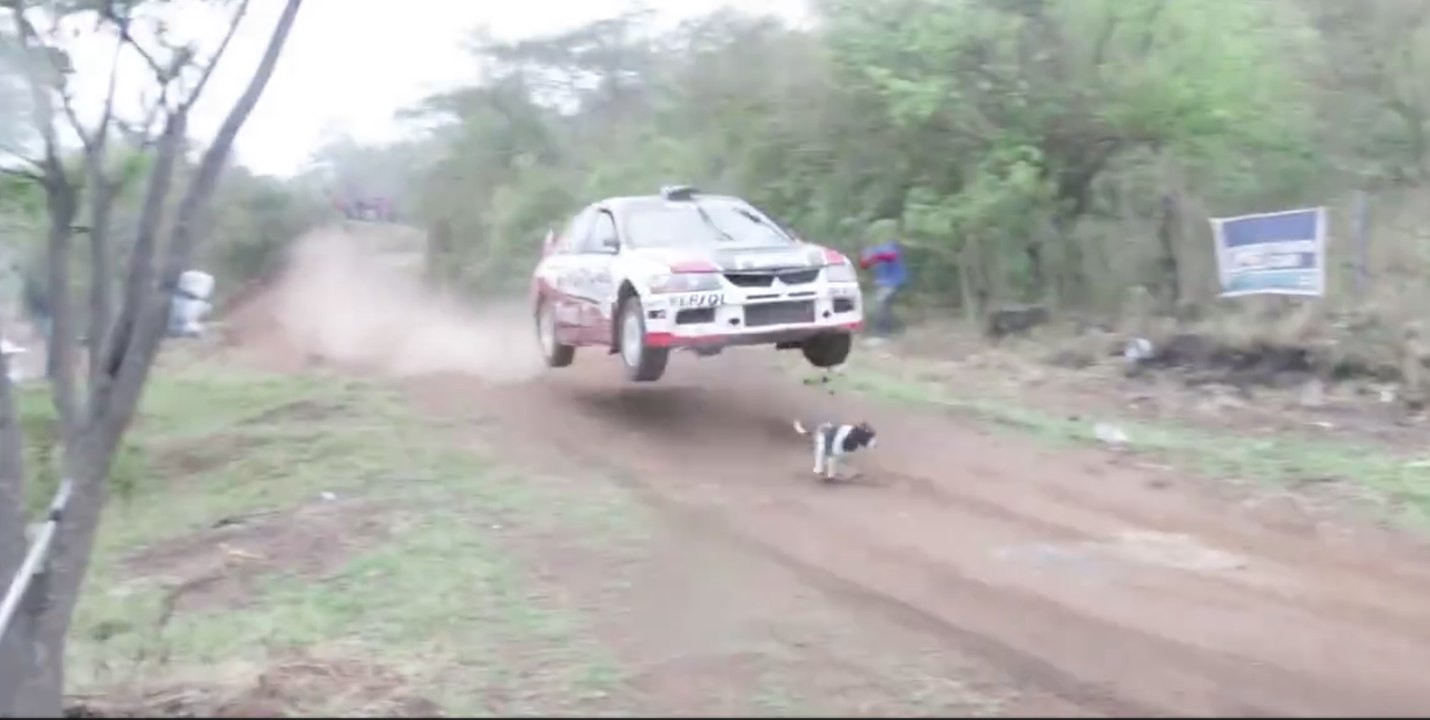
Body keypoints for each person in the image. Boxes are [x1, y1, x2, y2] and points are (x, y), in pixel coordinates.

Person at [859, 233, 907, 339]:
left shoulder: (891, 248)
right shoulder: (876, 249)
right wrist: (866, 258)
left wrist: (872, 255)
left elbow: (890, 255)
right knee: (885, 307)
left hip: (893, 282)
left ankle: (882, 333)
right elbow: (865, 264)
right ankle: (894, 329)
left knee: (882, 305)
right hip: (883, 283)